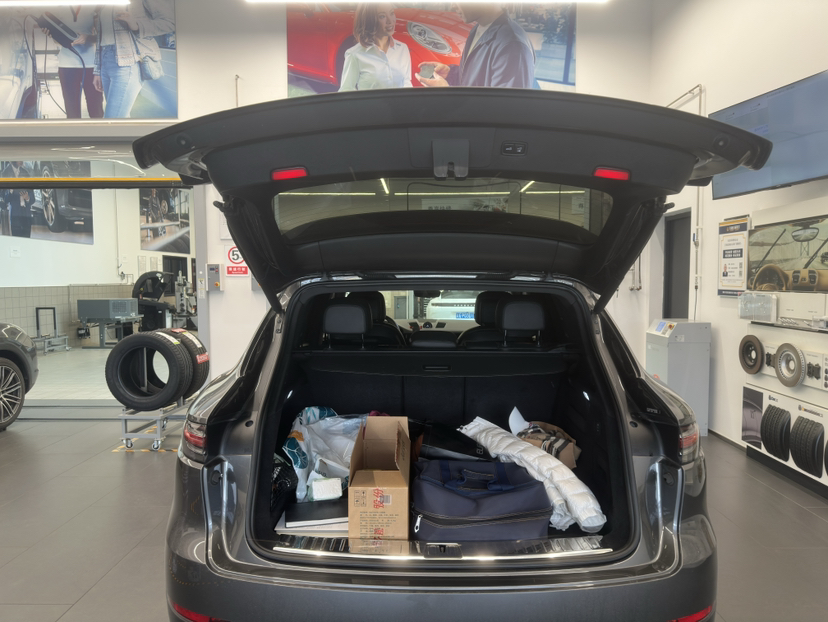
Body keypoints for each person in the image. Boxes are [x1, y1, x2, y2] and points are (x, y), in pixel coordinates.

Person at [416, 3, 536, 89]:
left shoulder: (511, 46)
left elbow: (505, 110)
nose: (452, 5)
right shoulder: (478, 29)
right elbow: (475, 82)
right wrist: (451, 74)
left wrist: (447, 92)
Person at [93, 0, 175, 119]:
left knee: (113, 119)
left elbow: (169, 23)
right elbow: (101, 37)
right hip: (105, 60)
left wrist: (137, 24)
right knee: (121, 116)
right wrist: (97, 70)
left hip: (128, 61)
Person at [41, 6, 103, 118]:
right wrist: (51, 34)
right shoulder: (59, 8)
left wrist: (87, 37)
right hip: (66, 65)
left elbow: (103, 37)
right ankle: (75, 130)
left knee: (96, 109)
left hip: (91, 65)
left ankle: (97, 130)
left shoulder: (93, 7)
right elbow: (57, 41)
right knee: (72, 111)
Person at [339, 3, 412, 91]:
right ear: (369, 20)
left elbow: (407, 84)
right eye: (382, 16)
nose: (390, 21)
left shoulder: (403, 49)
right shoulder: (354, 54)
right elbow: (346, 91)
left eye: (392, 13)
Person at [1, 162, 34, 238]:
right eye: (19, 158)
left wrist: (27, 198)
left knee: (27, 240)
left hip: (26, 214)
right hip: (14, 214)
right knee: (16, 239)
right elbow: (4, 198)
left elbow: (33, 198)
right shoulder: (5, 173)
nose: (21, 160)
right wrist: (11, 190)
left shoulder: (25, 172)